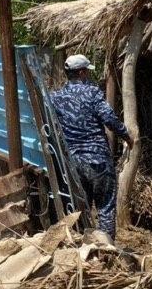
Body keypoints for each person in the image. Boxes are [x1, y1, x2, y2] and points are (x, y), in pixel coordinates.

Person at [49, 54, 133, 240]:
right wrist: (127, 136)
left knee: (80, 208)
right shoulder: (92, 93)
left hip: (74, 162)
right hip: (98, 160)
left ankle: (82, 247)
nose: (88, 74)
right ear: (81, 72)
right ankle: (107, 251)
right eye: (86, 71)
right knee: (105, 207)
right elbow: (109, 119)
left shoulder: (55, 97)